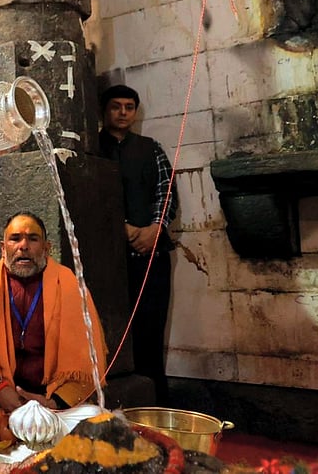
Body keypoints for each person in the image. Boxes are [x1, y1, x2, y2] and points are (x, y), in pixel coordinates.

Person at [0, 211, 108, 445]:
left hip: (53, 406)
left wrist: (52, 402)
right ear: (3, 248)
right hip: (0, 402)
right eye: (15, 239)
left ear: (47, 248)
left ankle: (28, 441)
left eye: (33, 239)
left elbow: (90, 360)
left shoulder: (69, 287)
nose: (23, 246)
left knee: (96, 418)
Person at [97, 84, 178, 406]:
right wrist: (122, 229)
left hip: (151, 255)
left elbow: (167, 191)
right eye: (116, 106)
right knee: (110, 334)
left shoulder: (150, 148)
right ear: (104, 111)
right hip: (109, 262)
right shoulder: (92, 150)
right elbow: (90, 197)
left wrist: (155, 229)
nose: (123, 113)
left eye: (129, 107)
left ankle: (156, 407)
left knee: (150, 333)